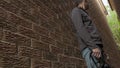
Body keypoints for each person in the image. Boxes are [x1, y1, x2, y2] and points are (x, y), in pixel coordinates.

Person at [71, 0, 106, 68]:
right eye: (87, 1)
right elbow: (80, 29)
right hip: (90, 48)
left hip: (96, 47)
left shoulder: (84, 12)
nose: (88, 3)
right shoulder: (76, 11)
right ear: (83, 1)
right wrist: (93, 47)